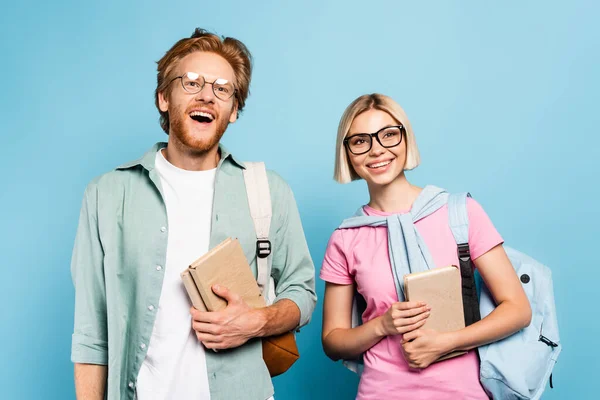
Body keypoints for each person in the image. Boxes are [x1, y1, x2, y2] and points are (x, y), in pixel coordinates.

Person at [70, 28, 316, 400]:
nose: (206, 95)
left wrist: (256, 322)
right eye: (191, 82)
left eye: (222, 88)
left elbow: (303, 291)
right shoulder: (106, 195)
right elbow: (91, 334)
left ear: (233, 110)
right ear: (163, 98)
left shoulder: (267, 191)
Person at [320, 93, 531, 399]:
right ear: (348, 153)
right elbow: (332, 341)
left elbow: (518, 309)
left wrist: (448, 342)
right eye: (360, 141)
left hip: (463, 392)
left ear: (406, 140)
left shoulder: (461, 212)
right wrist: (382, 325)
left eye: (389, 135)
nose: (377, 150)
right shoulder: (346, 237)